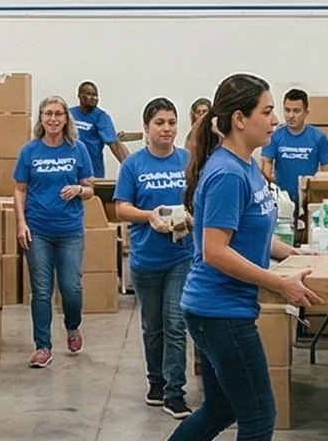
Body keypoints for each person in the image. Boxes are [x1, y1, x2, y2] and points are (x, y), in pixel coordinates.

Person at [124, 75, 323, 441]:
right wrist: (280, 284)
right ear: (239, 119)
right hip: (219, 312)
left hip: (221, 308)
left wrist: (292, 251)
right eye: (267, 112)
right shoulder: (227, 173)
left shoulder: (248, 166)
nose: (274, 120)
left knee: (221, 408)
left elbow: (249, 231)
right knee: (259, 416)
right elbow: (215, 250)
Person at [112, 99, 198, 418]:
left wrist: (190, 217)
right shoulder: (134, 165)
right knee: (153, 326)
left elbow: (199, 199)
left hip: (181, 255)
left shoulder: (188, 161)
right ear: (147, 127)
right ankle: (156, 383)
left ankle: (175, 392)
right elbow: (121, 208)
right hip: (147, 259)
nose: (167, 128)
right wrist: (149, 216)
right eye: (160, 122)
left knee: (175, 323)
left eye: (172, 122)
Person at [14, 96, 95, 367]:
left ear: (66, 118)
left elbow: (90, 189)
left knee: (71, 287)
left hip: (70, 231)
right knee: (41, 291)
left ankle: (72, 326)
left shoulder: (78, 149)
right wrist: (21, 223)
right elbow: (19, 189)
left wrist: (79, 190)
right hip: (38, 231)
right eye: (48, 114)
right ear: (41, 118)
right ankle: (43, 346)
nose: (53, 119)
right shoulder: (30, 151)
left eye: (58, 114)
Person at [260, 88, 328, 219]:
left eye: (296, 111)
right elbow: (266, 163)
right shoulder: (275, 136)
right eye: (287, 110)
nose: (291, 116)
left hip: (309, 199)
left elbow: (326, 171)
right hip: (283, 200)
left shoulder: (319, 137)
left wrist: (317, 194)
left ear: (306, 112)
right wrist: (271, 185)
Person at [72, 82, 125, 179]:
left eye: (95, 95)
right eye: (88, 94)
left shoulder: (101, 117)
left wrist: (131, 168)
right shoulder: (69, 115)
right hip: (71, 169)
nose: (93, 98)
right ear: (79, 95)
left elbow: (115, 145)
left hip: (93, 171)